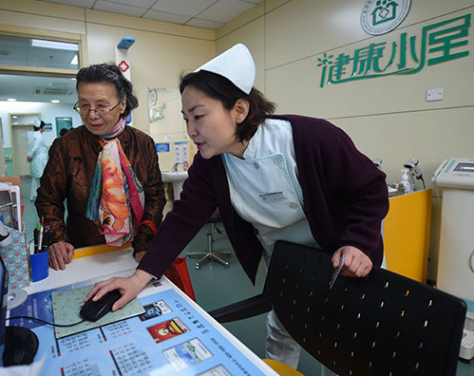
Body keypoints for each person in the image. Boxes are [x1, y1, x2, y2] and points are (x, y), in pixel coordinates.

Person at [86, 44, 389, 373]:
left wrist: (357, 242)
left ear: (240, 110)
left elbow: (369, 189)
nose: (191, 130)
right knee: (283, 329)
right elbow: (183, 220)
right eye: (186, 118)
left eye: (199, 116)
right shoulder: (211, 163)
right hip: (287, 260)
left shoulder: (310, 137)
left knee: (345, 342)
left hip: (344, 255)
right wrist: (138, 278)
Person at [35, 63, 166, 271]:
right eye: (84, 105)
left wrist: (145, 243)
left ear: (122, 105)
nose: (92, 115)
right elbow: (48, 199)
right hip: (84, 253)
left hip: (134, 250)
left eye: (102, 106)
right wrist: (58, 239)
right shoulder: (66, 146)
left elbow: (155, 196)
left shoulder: (143, 143)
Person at [27, 120, 48, 201]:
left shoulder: (33, 135)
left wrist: (29, 156)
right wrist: (30, 156)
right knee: (41, 178)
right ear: (41, 127)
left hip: (36, 160)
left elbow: (30, 148)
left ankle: (33, 195)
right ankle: (41, 196)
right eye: (44, 126)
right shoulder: (38, 136)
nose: (44, 128)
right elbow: (35, 148)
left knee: (35, 179)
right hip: (40, 160)